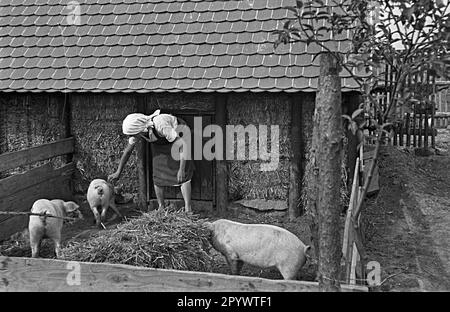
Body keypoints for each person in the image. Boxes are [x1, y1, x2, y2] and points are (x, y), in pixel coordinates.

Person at [108, 110, 194, 213]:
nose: (131, 137)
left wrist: (181, 169)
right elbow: (128, 151)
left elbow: (182, 145)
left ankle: (188, 209)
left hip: (178, 135)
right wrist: (118, 172)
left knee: (182, 176)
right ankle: (161, 207)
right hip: (161, 142)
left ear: (139, 130)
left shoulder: (160, 125)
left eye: (133, 134)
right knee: (157, 174)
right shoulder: (138, 132)